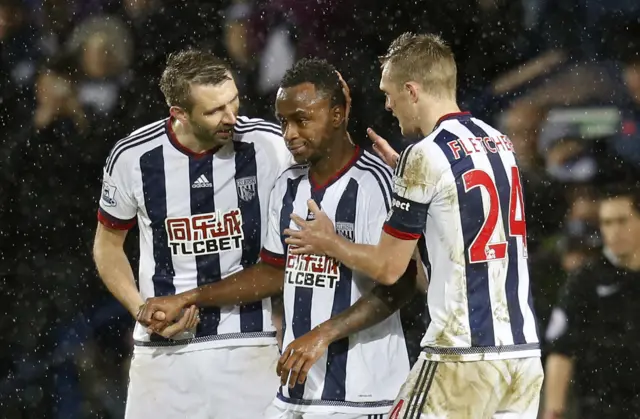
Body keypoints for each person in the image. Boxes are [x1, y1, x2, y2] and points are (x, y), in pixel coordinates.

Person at [138, 58, 417, 419]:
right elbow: (273, 272)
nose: (289, 134)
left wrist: (323, 334)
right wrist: (189, 297)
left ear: (337, 115)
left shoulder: (374, 182)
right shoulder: (288, 185)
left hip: (362, 393)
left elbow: (402, 283)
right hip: (295, 392)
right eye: (284, 121)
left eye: (302, 120)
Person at [285, 32, 544, 419]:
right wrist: (410, 189)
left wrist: (330, 241)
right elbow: (459, 235)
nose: (388, 106)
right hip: (522, 358)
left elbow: (390, 269)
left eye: (389, 94)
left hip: (461, 356)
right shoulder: (500, 143)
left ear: (412, 90)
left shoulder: (423, 155)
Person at [92, 49, 292, 419]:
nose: (231, 117)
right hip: (162, 351)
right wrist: (141, 310)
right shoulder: (134, 157)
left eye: (234, 102)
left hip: (248, 343)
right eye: (214, 110)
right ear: (179, 114)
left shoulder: (269, 146)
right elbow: (107, 245)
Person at [543, 185, 640, 419]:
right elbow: (560, 350)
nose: (614, 231)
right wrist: (553, 411)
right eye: (606, 223)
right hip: (601, 408)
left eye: (621, 220)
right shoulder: (586, 280)